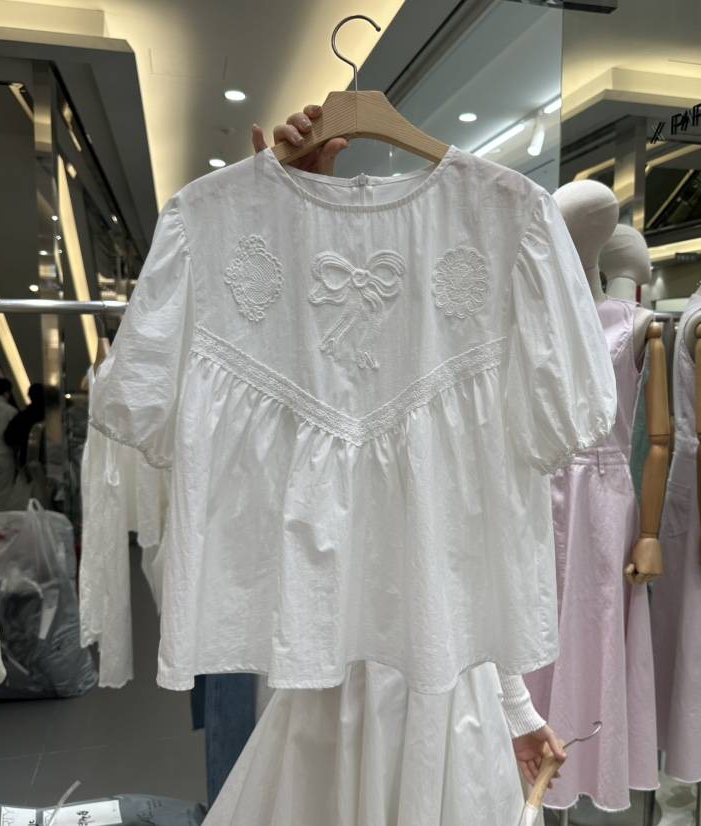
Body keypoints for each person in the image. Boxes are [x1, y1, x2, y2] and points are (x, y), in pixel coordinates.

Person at [251, 107, 567, 787]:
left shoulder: (507, 226)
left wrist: (515, 707)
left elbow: (468, 539)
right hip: (338, 670)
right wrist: (274, 212)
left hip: (438, 672)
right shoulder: (272, 297)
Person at [4, 382, 45, 467]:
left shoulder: (22, 417)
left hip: (28, 459)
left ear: (29, 396)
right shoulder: (54, 417)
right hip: (51, 459)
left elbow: (9, 438)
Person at [0, 377, 17, 495]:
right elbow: (13, 436)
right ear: (7, 393)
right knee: (2, 492)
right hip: (2, 455)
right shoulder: (10, 411)